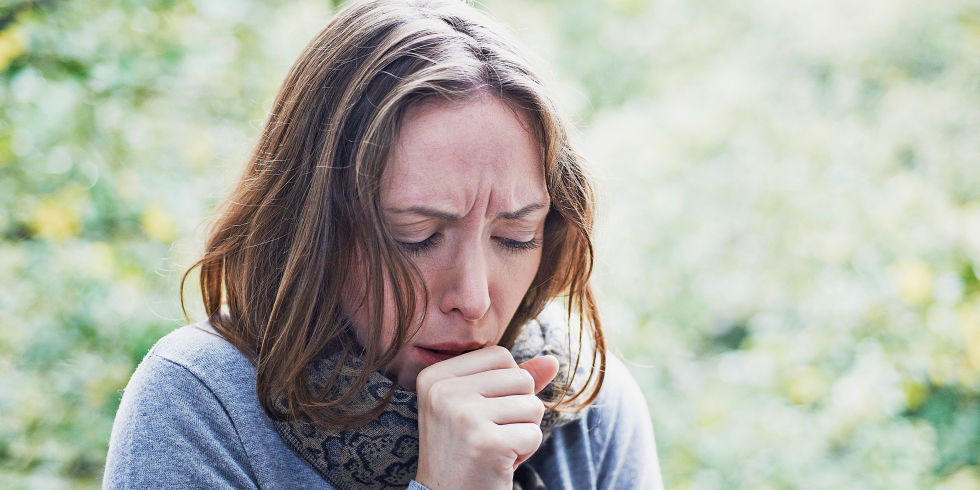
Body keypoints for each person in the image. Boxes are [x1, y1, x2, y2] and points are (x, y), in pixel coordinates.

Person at [103, 0, 663, 488]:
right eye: (416, 238)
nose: (472, 299)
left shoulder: (583, 399)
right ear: (316, 230)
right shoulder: (200, 402)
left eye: (515, 238)